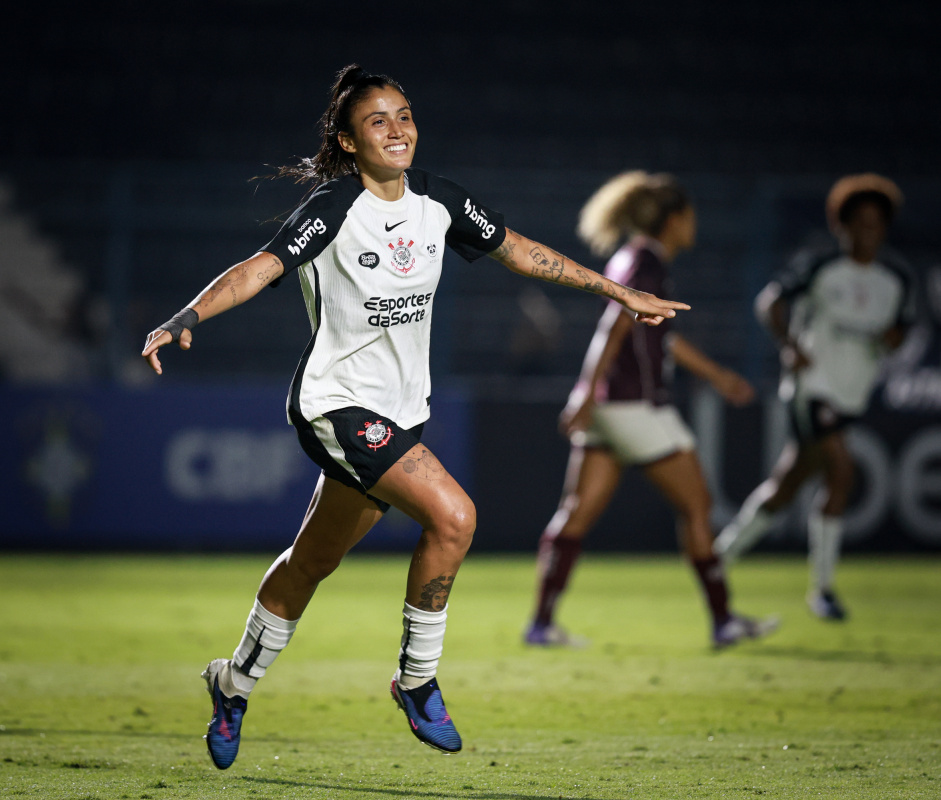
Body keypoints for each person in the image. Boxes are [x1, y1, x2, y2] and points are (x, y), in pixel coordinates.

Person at [141, 66, 688, 768]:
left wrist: (615, 290)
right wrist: (187, 315)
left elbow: (519, 250)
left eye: (404, 114)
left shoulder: (438, 201)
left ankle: (233, 681)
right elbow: (261, 265)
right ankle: (417, 680)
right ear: (348, 138)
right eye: (378, 120)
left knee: (312, 560)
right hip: (336, 405)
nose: (397, 129)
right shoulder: (332, 208)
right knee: (454, 517)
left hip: (402, 412)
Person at [523, 171, 778, 650]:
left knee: (574, 515)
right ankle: (723, 619)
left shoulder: (629, 258)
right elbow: (613, 326)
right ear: (674, 220)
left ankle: (541, 624)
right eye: (690, 217)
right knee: (698, 505)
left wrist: (717, 376)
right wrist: (584, 389)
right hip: (635, 406)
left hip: (609, 409)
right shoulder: (648, 262)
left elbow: (662, 336)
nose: (693, 225)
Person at [714, 174, 916, 621]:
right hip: (812, 389)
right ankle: (822, 589)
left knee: (786, 486)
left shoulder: (895, 278)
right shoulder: (820, 266)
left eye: (875, 222)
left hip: (852, 393)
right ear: (841, 226)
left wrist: (892, 338)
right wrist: (788, 344)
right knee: (841, 472)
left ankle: (719, 557)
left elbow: (902, 334)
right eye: (857, 221)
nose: (866, 230)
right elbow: (769, 302)